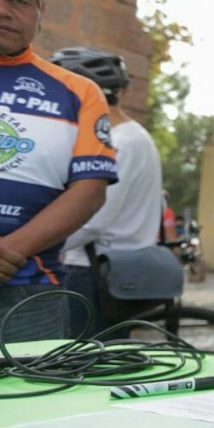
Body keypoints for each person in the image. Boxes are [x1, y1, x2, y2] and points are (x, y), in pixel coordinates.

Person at [0, 0, 117, 341]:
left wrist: (6, 251)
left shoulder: (79, 92)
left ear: (40, 12)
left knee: (32, 405)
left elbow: (90, 190)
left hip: (30, 287)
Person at [51, 48, 162, 336]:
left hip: (93, 271)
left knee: (80, 364)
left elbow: (92, 218)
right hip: (112, 270)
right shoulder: (133, 137)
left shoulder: (119, 142)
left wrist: (34, 248)